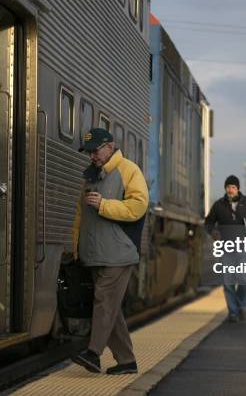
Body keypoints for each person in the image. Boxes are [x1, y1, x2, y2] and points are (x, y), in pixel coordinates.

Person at [70, 128, 148, 375]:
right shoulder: (91, 176)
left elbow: (138, 206)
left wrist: (104, 205)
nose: (92, 156)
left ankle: (93, 354)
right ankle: (126, 361)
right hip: (94, 253)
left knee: (104, 301)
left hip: (118, 252)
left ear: (109, 146)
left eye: (95, 151)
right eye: (89, 152)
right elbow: (79, 217)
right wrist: (75, 249)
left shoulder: (129, 170)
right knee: (111, 309)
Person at [205, 175, 246, 323]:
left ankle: (240, 305)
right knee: (228, 282)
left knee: (244, 280)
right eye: (228, 187)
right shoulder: (219, 205)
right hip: (227, 249)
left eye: (233, 187)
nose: (230, 190)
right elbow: (209, 222)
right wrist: (213, 232)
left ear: (238, 188)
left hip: (245, 247)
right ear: (225, 188)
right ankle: (233, 312)